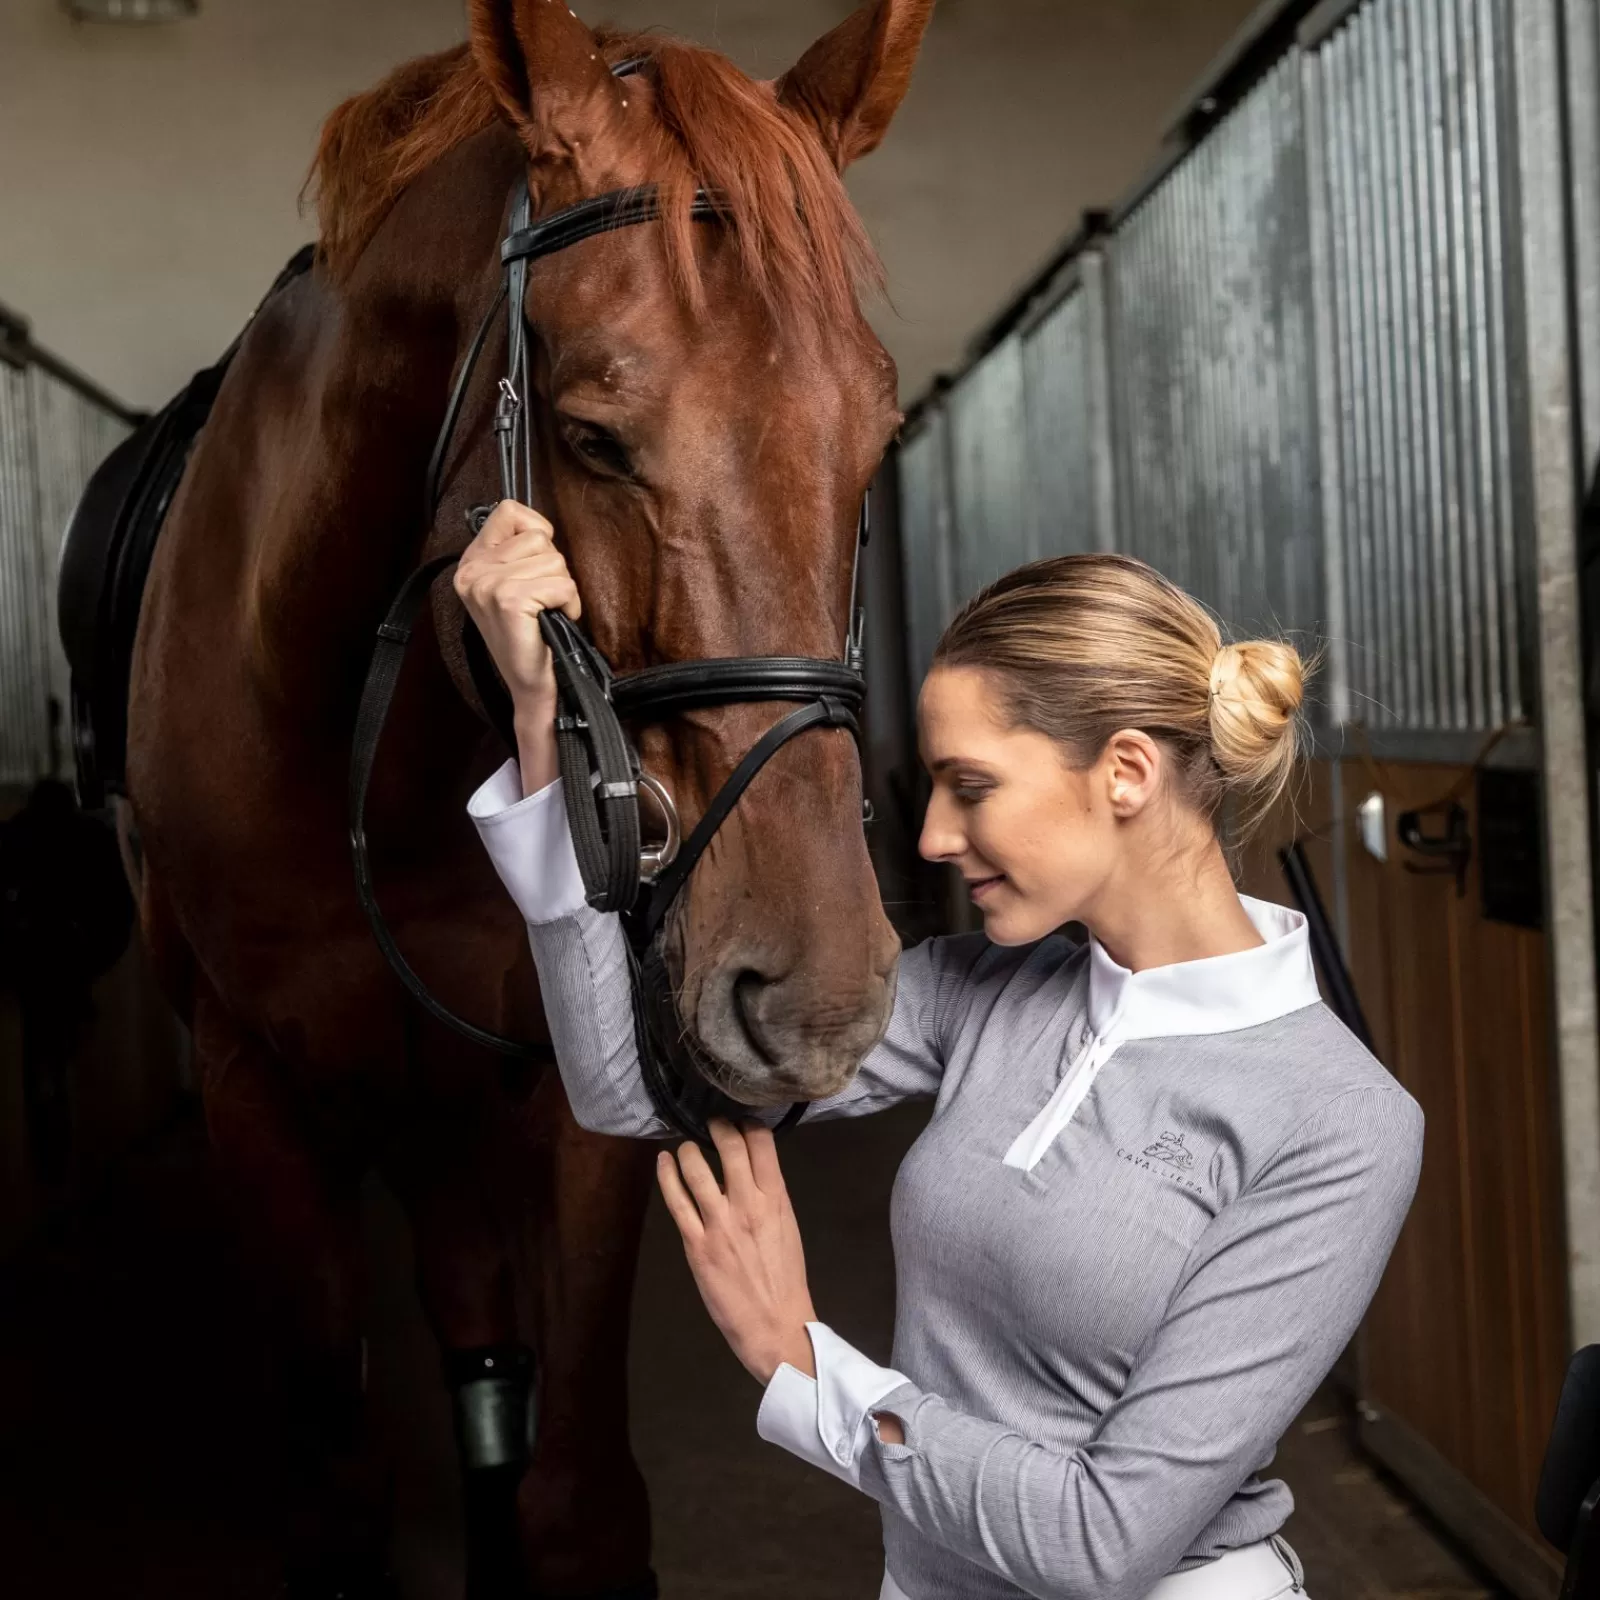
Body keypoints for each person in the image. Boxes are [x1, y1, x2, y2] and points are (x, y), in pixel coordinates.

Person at [455, 500, 1423, 1600]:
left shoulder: (1340, 1123)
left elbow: (1101, 1540)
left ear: (1124, 772)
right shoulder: (977, 995)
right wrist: (545, 723)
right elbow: (632, 1088)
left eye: (972, 786)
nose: (931, 837)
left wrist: (805, 1365)